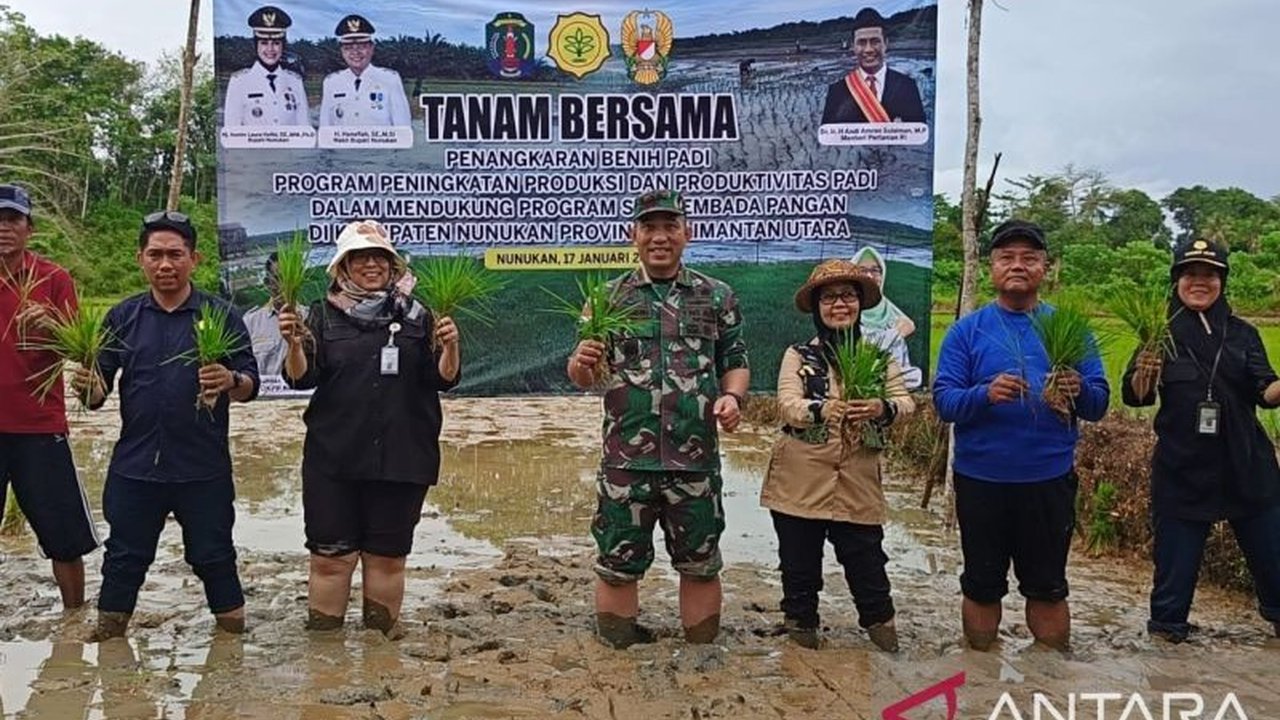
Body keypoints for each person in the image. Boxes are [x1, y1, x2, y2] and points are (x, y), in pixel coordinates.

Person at [567, 189, 749, 648]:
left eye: (670, 226)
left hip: (695, 459)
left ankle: (701, 656)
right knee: (617, 564)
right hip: (626, 461)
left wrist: (732, 398)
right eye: (650, 227)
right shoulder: (606, 297)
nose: (660, 237)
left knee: (701, 565)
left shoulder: (717, 295)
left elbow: (736, 359)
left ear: (687, 233)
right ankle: (616, 654)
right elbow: (582, 376)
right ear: (634, 236)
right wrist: (583, 361)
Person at [71, 210, 259, 640]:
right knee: (124, 557)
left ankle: (232, 643)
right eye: (155, 254)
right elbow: (95, 395)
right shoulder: (122, 317)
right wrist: (87, 385)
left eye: (176, 254)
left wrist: (231, 381)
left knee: (214, 556)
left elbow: (251, 383)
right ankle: (110, 639)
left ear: (195, 258)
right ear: (141, 259)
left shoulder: (220, 314)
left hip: (202, 467)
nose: (165, 264)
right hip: (136, 466)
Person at [932, 219, 1109, 651]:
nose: (1018, 266)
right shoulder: (966, 332)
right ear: (991, 267)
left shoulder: (1068, 328)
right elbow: (944, 402)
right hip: (981, 480)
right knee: (981, 585)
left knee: (1047, 587)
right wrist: (985, 394)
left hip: (1047, 480)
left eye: (1029, 258)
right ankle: (980, 676)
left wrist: (1077, 389)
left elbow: (1099, 403)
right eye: (1007, 257)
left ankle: (1048, 678)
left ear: (1044, 268)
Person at [278, 220, 460, 637]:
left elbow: (444, 379)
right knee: (330, 558)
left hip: (403, 455)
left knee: (387, 558)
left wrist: (450, 345)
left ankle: (380, 649)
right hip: (333, 459)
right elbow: (301, 378)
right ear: (343, 267)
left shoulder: (419, 315)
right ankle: (326, 652)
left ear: (393, 265)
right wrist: (291, 343)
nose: (371, 264)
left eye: (380, 256)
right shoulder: (319, 316)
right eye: (359, 257)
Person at [1123, 238, 1280, 643]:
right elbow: (1136, 397)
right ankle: (1167, 659)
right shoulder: (1158, 333)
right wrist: (1145, 370)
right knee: (1171, 592)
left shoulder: (1243, 334)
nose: (1199, 281)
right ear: (1177, 280)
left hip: (1247, 467)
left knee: (1275, 565)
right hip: (1182, 471)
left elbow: (1265, 391)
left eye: (1209, 274)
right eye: (1190, 273)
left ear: (1221, 281)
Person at [761, 259, 915, 652]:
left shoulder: (879, 357)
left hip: (857, 481)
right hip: (799, 482)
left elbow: (905, 402)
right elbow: (787, 404)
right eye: (829, 298)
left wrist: (882, 407)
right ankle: (801, 653)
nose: (839, 304)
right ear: (817, 308)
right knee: (799, 574)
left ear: (861, 303)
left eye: (848, 296)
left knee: (869, 572)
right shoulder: (798, 355)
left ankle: (886, 646)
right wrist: (821, 409)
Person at [0, 183, 99, 610]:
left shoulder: (53, 279)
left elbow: (81, 351)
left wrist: (52, 327)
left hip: (39, 426)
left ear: (29, 228)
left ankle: (73, 619)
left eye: (12, 220)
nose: (4, 229)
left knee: (64, 535)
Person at [820, 8, 925, 125]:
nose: (868, 49)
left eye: (875, 41)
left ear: (886, 44)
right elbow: (828, 139)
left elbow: (919, 136)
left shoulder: (907, 86)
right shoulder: (837, 91)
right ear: (853, 47)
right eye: (862, 42)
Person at [223, 6, 310, 127]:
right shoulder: (239, 82)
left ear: (283, 46)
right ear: (256, 46)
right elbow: (231, 131)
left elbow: (304, 128)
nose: (270, 49)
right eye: (264, 43)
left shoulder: (295, 81)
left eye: (276, 43)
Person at [320, 15, 412, 127]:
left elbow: (403, 127)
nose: (355, 52)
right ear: (342, 51)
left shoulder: (390, 79)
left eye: (361, 46)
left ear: (372, 48)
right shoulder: (331, 82)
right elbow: (325, 128)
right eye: (348, 47)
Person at [852, 246, 921, 390]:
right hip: (855, 378)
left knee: (913, 375)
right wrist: (891, 336)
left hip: (896, 377)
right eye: (863, 270)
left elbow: (908, 325)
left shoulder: (888, 308)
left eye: (875, 270)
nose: (870, 276)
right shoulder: (845, 311)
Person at [242, 252, 306, 379]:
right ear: (267, 283)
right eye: (279, 278)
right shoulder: (250, 323)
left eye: (291, 279)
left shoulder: (312, 319)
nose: (286, 285)